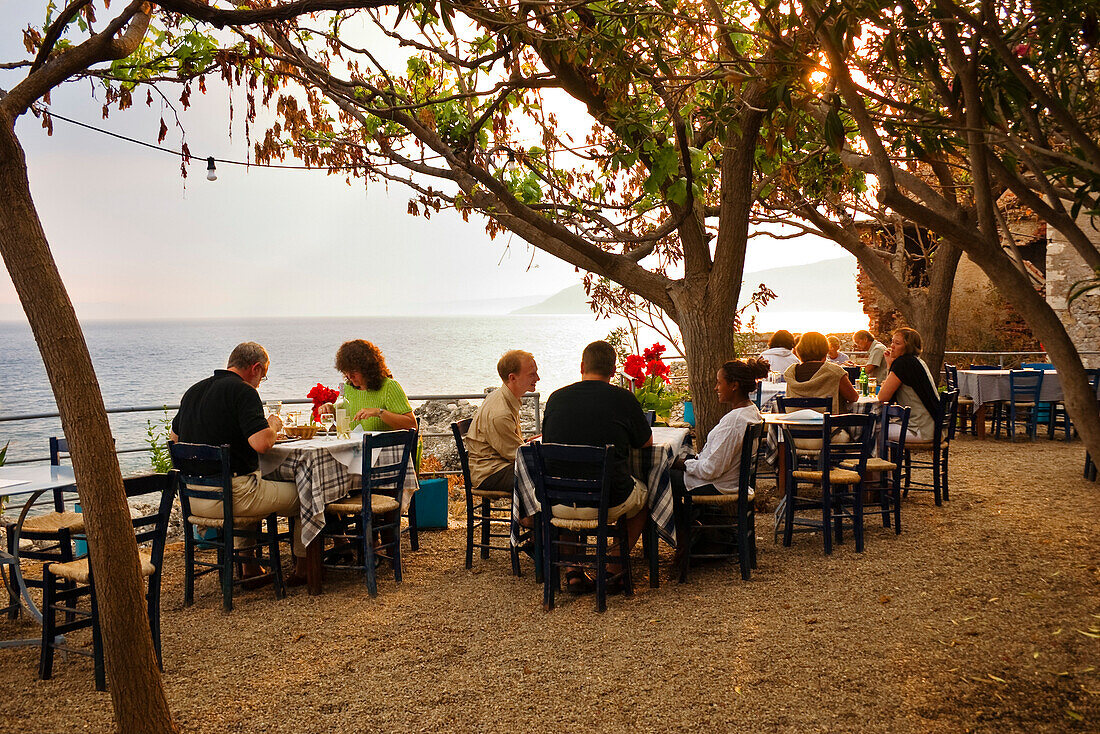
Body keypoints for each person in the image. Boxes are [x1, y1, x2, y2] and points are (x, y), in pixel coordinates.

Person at [170, 342, 308, 583]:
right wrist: (273, 426)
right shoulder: (243, 392)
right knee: (306, 493)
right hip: (232, 496)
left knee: (250, 480)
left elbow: (174, 440)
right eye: (262, 377)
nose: (259, 383)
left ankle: (250, 568)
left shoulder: (194, 391)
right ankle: (306, 568)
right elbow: (262, 444)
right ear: (255, 368)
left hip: (194, 498)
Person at [541, 340, 652, 593]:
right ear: (613, 371)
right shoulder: (624, 399)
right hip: (609, 501)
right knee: (644, 498)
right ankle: (612, 568)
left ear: (582, 366)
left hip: (558, 502)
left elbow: (548, 442)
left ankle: (572, 570)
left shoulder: (556, 398)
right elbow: (645, 442)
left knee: (568, 478)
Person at [675, 358, 768, 495]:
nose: (716, 388)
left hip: (718, 484)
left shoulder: (735, 421)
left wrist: (682, 464)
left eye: (719, 383)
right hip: (728, 480)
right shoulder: (751, 411)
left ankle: (681, 516)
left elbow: (711, 469)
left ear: (734, 386)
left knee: (662, 478)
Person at [465, 350, 539, 495]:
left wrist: (531, 442)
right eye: (532, 374)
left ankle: (529, 516)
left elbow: (509, 446)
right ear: (512, 378)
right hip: (489, 473)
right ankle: (530, 517)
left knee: (540, 471)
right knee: (541, 475)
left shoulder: (504, 397)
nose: (538, 378)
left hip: (498, 464)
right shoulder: (500, 413)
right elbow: (516, 455)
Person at [331, 340, 417, 432]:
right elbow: (339, 421)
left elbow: (412, 425)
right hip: (355, 446)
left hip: (383, 445)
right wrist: (330, 410)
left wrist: (379, 412)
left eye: (354, 371)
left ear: (368, 368)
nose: (349, 376)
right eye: (345, 371)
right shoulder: (348, 388)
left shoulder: (389, 387)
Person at [877, 327, 941, 441]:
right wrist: (889, 365)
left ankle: (878, 460)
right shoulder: (917, 361)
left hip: (921, 428)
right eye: (892, 341)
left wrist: (891, 366)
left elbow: (883, 397)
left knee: (872, 429)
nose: (892, 346)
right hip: (934, 425)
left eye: (897, 343)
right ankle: (889, 459)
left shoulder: (903, 364)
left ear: (908, 347)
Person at [784, 332, 860, 414]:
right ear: (825, 350)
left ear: (799, 350)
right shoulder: (834, 372)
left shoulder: (791, 372)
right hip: (827, 425)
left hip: (794, 424)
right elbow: (853, 397)